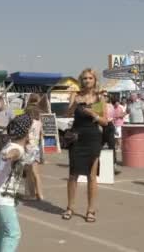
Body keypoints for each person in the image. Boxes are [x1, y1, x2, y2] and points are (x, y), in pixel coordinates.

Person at [62, 69, 108, 223]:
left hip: (93, 138)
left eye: (90, 78)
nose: (87, 80)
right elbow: (68, 114)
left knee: (91, 175)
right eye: (84, 78)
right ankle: (70, 207)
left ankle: (91, 210)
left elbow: (105, 122)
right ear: (81, 80)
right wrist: (74, 104)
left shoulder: (99, 97)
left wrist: (93, 114)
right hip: (77, 137)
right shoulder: (76, 95)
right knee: (73, 174)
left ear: (95, 80)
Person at [0, 114, 32, 252]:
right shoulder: (15, 148)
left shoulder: (13, 144)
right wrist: (8, 155)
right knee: (13, 233)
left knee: (3, 229)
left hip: (0, 195)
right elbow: (14, 153)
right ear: (26, 132)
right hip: (3, 198)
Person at [23, 94, 44, 201]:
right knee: (36, 172)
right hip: (35, 147)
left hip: (28, 147)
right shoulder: (39, 122)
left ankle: (31, 194)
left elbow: (25, 135)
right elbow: (41, 135)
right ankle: (39, 193)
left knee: (28, 172)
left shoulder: (28, 122)